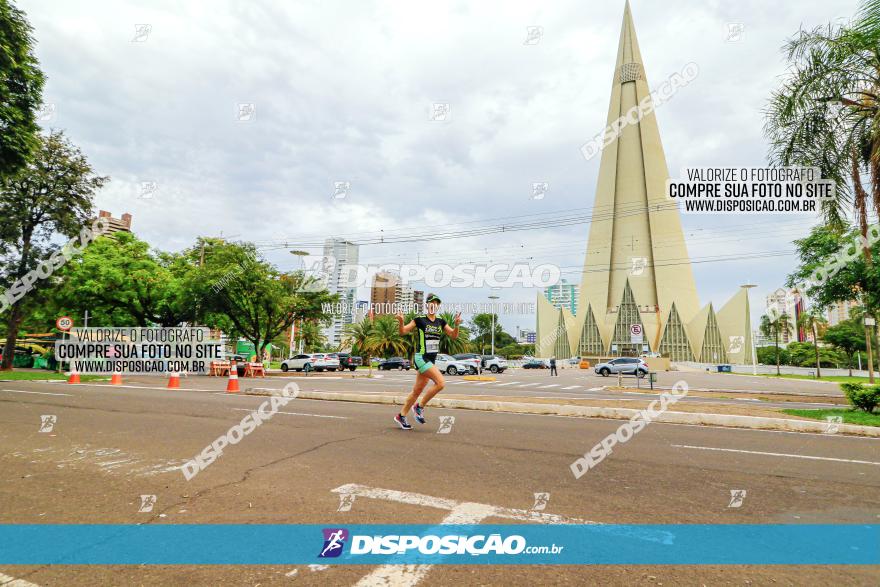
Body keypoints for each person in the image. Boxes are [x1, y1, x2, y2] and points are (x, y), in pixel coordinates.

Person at [393, 293, 461, 429]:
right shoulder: (419, 320)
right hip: (421, 357)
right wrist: (401, 321)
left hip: (431, 360)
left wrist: (456, 325)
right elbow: (403, 332)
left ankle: (401, 416)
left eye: (436, 303)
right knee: (441, 383)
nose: (434, 305)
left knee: (416, 391)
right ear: (427, 305)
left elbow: (453, 335)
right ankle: (419, 406)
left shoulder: (441, 322)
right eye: (432, 303)